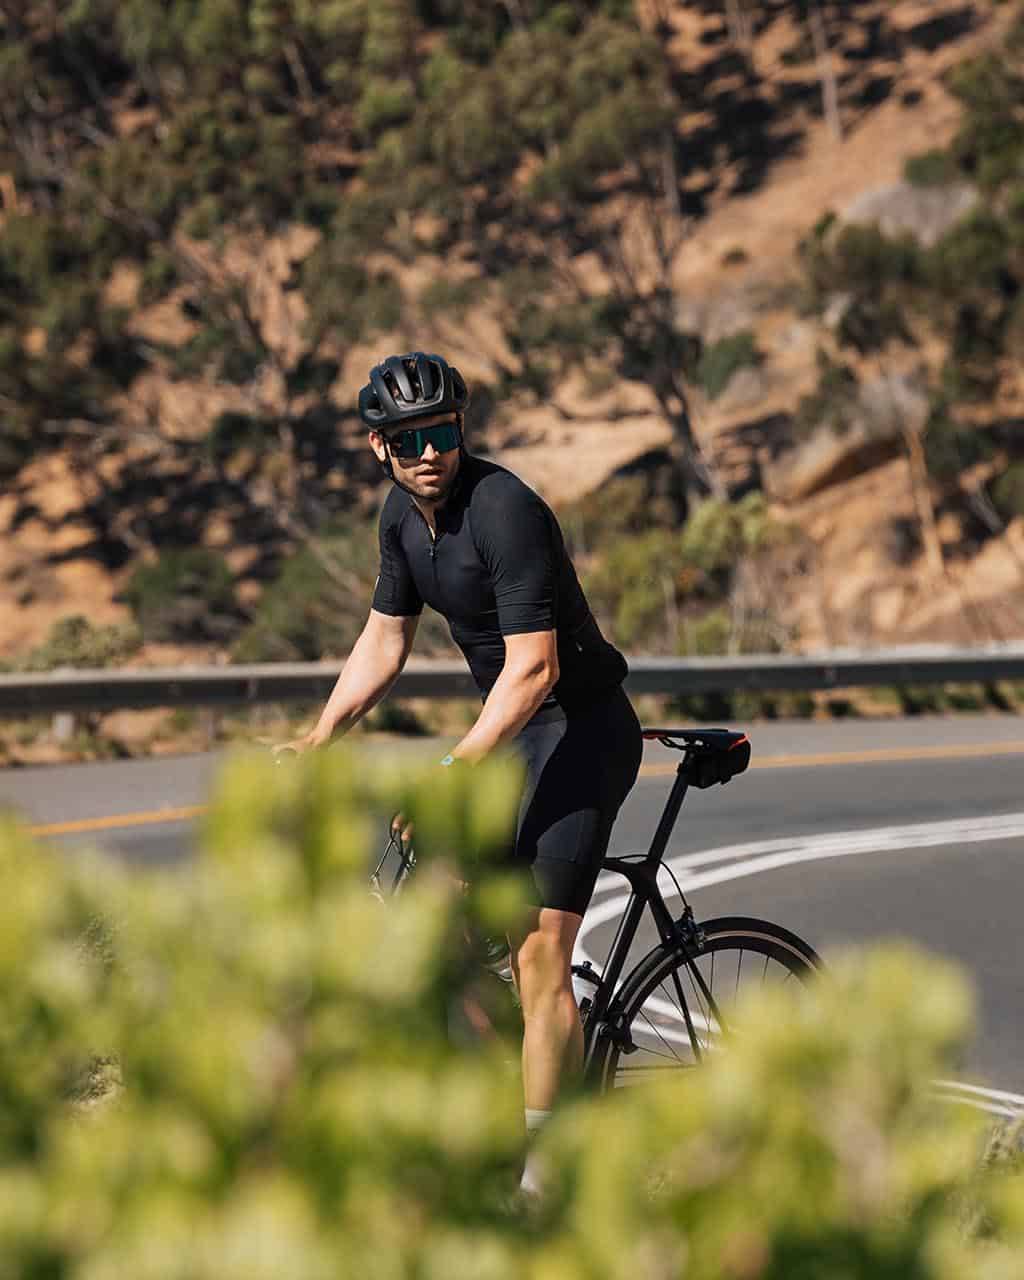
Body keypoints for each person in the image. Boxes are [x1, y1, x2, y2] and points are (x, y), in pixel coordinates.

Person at [276, 351, 642, 1196]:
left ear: (461, 427)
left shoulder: (505, 509)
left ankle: (549, 1176)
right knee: (434, 920)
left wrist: (454, 764)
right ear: (381, 449)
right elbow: (384, 638)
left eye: (442, 431)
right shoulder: (401, 524)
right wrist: (321, 734)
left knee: (541, 952)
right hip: (513, 733)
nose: (430, 452)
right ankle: (514, 1082)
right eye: (410, 440)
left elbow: (536, 670)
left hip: (580, 730)